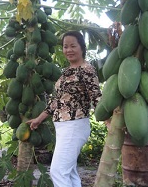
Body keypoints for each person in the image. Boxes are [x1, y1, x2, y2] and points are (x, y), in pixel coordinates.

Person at [26, 30, 102, 187]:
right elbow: (57, 100)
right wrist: (39, 119)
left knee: (58, 171)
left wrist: (108, 120)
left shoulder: (86, 69)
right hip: (63, 127)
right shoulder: (66, 71)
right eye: (65, 46)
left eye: (73, 46)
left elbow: (96, 96)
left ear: (82, 47)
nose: (68, 50)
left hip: (74, 125)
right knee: (70, 172)